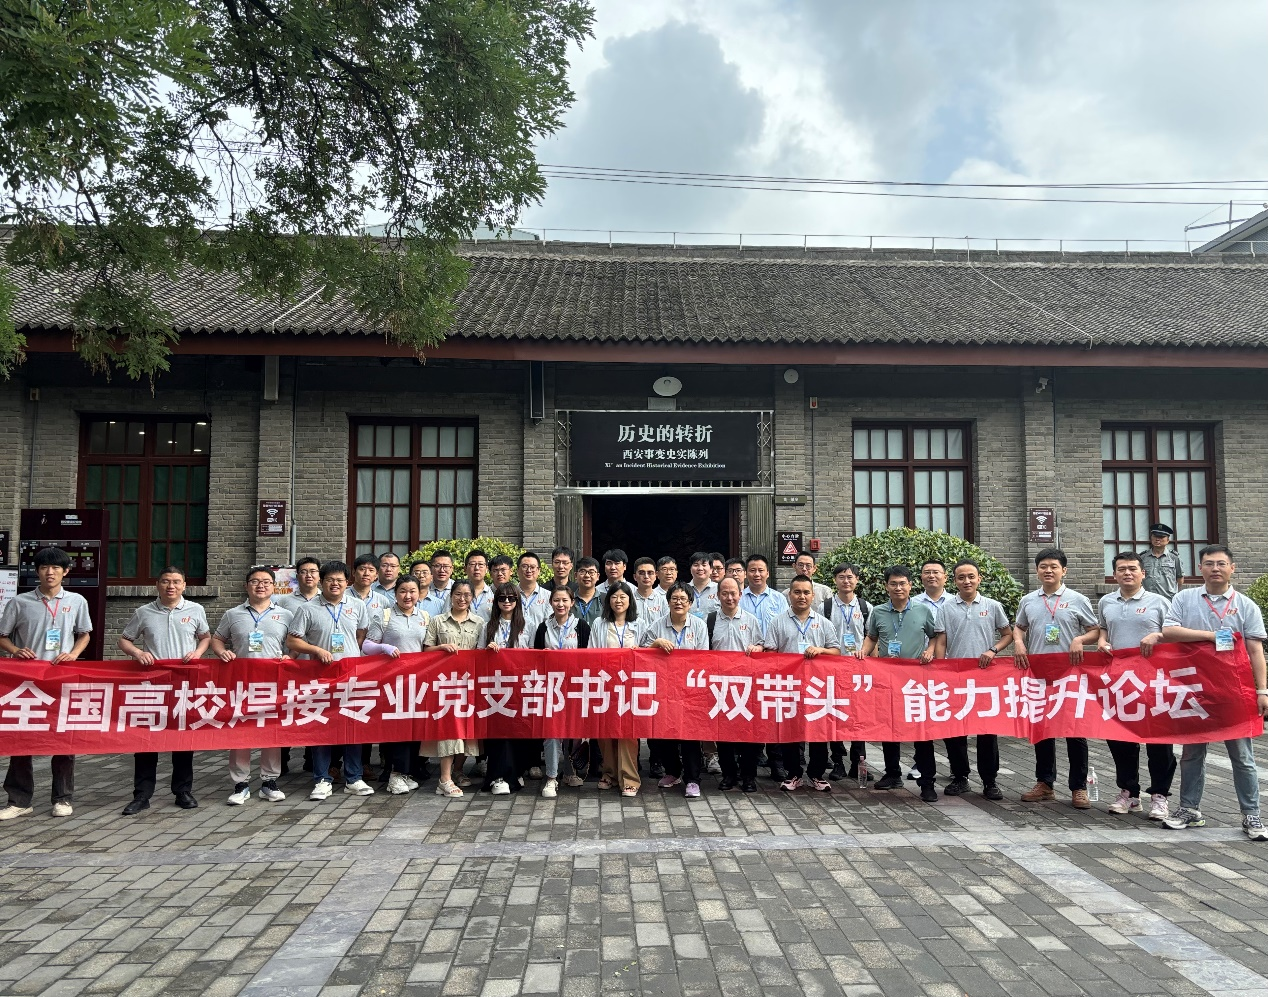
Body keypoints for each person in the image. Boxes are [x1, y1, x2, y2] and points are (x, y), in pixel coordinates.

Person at [1161, 544, 1268, 840]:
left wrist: (1263, 690)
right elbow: (1169, 630)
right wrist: (1210, 636)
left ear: (1232, 568)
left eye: (1221, 563)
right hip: (1194, 689)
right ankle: (1189, 809)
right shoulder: (1184, 599)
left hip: (1235, 692)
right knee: (1192, 754)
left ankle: (1251, 815)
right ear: (1200, 568)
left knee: (1242, 757)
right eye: (1209, 563)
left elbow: (1255, 651)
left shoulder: (1245, 605)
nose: (1215, 569)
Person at [0, 546, 92, 821]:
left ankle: (62, 798)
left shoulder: (77, 601)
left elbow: (84, 634)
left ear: (65, 571)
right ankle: (19, 800)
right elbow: (3, 636)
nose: (49, 572)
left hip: (62, 678)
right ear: (37, 571)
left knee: (63, 738)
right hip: (26, 681)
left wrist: (73, 654)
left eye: (55, 568)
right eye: (44, 567)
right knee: (21, 739)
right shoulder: (20, 602)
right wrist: (16, 650)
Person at [1084, 552, 1175, 821]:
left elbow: (1173, 634)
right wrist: (1102, 640)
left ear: (1143, 573)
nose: (1127, 573)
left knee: (1159, 741)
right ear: (1114, 574)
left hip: (1153, 682)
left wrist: (1157, 635)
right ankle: (1129, 793)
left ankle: (1160, 795)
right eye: (1121, 569)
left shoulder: (1159, 602)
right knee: (1120, 739)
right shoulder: (1106, 602)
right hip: (1120, 682)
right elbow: (1104, 628)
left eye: (1133, 569)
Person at [118, 567, 211, 815]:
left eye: (177, 582)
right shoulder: (144, 612)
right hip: (152, 685)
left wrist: (197, 653)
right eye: (166, 581)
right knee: (147, 740)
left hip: (184, 684)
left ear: (184, 585)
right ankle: (142, 794)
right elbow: (125, 639)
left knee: (183, 739)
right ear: (157, 584)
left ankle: (182, 791)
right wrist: (138, 653)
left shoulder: (196, 610)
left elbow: (205, 637)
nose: (171, 586)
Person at [1013, 547, 1097, 809]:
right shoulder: (1028, 600)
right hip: (1039, 674)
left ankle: (1079, 787)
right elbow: (1019, 627)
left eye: (1054, 566)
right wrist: (1018, 642)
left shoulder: (1077, 599)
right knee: (1042, 729)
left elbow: (1095, 630)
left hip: (1070, 674)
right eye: (1043, 567)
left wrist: (1079, 640)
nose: (1048, 571)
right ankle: (1045, 783)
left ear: (1064, 571)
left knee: (1075, 731)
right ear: (1037, 570)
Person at [286, 560, 373, 801]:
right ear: (322, 582)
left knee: (352, 726)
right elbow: (293, 641)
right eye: (330, 580)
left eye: (340, 580)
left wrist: (348, 654)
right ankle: (322, 779)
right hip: (320, 678)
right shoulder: (307, 609)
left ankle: (354, 778)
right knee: (321, 728)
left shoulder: (357, 605)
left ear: (348, 582)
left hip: (350, 677)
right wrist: (316, 650)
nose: (335, 584)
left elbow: (360, 634)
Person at [211, 566, 293, 805]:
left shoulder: (286, 615)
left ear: (274, 587)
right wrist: (222, 652)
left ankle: (269, 781)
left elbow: (295, 643)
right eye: (255, 581)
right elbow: (217, 639)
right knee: (241, 731)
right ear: (246, 586)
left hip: (273, 683)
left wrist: (290, 657)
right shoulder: (232, 614)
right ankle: (240, 784)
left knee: (271, 731)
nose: (261, 586)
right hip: (241, 682)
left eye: (266, 582)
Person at [861, 565, 943, 803]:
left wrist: (930, 651)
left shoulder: (923, 610)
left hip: (916, 680)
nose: (898, 588)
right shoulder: (878, 611)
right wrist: (863, 652)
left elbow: (934, 636)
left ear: (910, 585)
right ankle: (892, 774)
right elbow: (872, 637)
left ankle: (927, 782)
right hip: (887, 678)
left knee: (921, 731)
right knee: (889, 727)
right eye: (893, 584)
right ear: (886, 586)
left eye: (902, 583)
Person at [936, 560, 1013, 800]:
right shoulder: (946, 607)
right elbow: (941, 640)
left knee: (987, 731)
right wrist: (940, 668)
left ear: (979, 579)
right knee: (955, 729)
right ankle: (960, 777)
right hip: (955, 677)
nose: (966, 581)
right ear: (954, 581)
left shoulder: (992, 606)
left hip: (985, 678)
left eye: (971, 576)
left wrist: (993, 650)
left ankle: (990, 781)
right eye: (961, 577)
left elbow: (1007, 634)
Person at [764, 575, 841, 792]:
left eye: (806, 592)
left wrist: (821, 650)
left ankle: (816, 774)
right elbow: (770, 652)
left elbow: (836, 652)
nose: (801, 596)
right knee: (790, 732)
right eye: (797, 592)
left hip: (816, 688)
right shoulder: (778, 621)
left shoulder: (823, 623)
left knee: (818, 732)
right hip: (789, 686)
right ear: (789, 594)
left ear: (813, 596)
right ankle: (793, 774)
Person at [361, 573, 431, 795]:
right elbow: (367, 646)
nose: (407, 596)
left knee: (414, 729)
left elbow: (427, 647)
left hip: (418, 682)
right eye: (403, 591)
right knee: (397, 729)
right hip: (392, 683)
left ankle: (406, 772)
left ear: (419, 593)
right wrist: (384, 648)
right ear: (395, 593)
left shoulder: (425, 617)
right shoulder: (384, 615)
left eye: (412, 591)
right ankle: (395, 774)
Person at [641, 583, 710, 797]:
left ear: (690, 603)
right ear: (668, 601)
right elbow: (641, 654)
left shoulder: (699, 626)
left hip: (690, 689)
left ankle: (693, 779)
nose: (678, 602)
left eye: (683, 599)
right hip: (663, 689)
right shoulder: (657, 626)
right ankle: (673, 772)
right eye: (674, 598)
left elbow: (704, 657)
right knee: (663, 734)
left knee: (690, 735)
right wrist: (655, 644)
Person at [423, 579, 484, 797]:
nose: (462, 599)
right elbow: (425, 651)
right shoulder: (437, 621)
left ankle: (458, 770)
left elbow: (481, 653)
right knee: (449, 730)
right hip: (444, 684)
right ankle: (445, 778)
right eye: (458, 594)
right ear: (451, 596)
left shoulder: (479, 623)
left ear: (472, 598)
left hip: (469, 684)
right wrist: (440, 648)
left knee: (467, 731)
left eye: (467, 595)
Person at [530, 584, 591, 798]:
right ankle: (551, 777)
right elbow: (535, 659)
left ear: (572, 603)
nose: (560, 604)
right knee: (552, 732)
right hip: (550, 687)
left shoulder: (581, 626)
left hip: (575, 687)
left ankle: (570, 771)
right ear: (550, 602)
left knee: (573, 731)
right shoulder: (543, 628)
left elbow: (589, 657)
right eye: (556, 600)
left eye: (565, 600)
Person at [708, 576, 765, 792]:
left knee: (748, 734)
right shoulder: (711, 620)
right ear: (718, 596)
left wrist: (758, 648)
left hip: (746, 686)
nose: (729, 597)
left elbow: (761, 645)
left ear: (740, 595)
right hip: (720, 687)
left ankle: (748, 776)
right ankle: (728, 775)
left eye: (733, 593)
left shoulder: (751, 620)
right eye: (725, 593)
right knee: (723, 735)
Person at [590, 581, 642, 797]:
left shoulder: (639, 623)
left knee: (628, 733)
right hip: (606, 684)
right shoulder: (599, 623)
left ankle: (629, 778)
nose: (618, 601)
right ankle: (609, 774)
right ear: (608, 600)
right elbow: (592, 652)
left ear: (630, 600)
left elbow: (646, 653)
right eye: (614, 597)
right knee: (605, 731)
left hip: (631, 686)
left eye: (623, 597)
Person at [482, 583, 532, 795]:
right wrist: (488, 650)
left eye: (511, 598)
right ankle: (498, 776)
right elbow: (478, 655)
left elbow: (534, 653)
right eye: (502, 598)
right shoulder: (488, 626)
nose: (507, 602)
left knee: (518, 731)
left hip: (520, 687)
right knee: (498, 733)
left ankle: (516, 772)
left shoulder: (527, 624)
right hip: (496, 688)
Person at [824, 562, 872, 781]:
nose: (846, 581)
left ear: (857, 580)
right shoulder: (825, 607)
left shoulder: (865, 607)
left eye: (850, 577)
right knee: (834, 715)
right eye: (842, 577)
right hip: (832, 669)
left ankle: (858, 764)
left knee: (858, 717)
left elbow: (872, 637)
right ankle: (838, 763)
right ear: (835, 580)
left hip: (858, 671)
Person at [740, 554, 789, 640]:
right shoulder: (738, 598)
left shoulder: (779, 598)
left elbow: (785, 626)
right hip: (745, 646)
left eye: (761, 570)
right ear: (746, 574)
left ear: (767, 573)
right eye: (752, 570)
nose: (756, 574)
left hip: (771, 647)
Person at [1140, 523, 1183, 600]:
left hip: (1168, 599)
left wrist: (1175, 595)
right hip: (1146, 599)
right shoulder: (1142, 557)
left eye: (1161, 537)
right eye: (1155, 536)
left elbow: (1180, 579)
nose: (1157, 539)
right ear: (1151, 538)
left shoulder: (1174, 557)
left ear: (1168, 540)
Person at [350, 553, 393, 620]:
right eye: (362, 569)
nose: (366, 573)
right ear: (353, 572)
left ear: (376, 575)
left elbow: (387, 623)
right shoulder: (342, 596)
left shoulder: (382, 601)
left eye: (371, 570)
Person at [516, 551, 550, 628]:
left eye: (532, 567)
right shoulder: (509, 595)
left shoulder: (548, 596)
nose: (529, 570)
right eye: (524, 566)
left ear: (539, 571)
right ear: (517, 570)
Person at [687, 551, 720, 618]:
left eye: (704, 565)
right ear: (690, 569)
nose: (700, 568)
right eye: (696, 565)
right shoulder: (684, 590)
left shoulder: (719, 589)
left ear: (711, 569)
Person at [464, 549, 494, 620]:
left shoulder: (494, 594)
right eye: (472, 564)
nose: (477, 568)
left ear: (486, 569)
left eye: (480, 564)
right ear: (465, 569)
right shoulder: (455, 594)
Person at [572, 556, 603, 624]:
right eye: (582, 571)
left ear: (597, 576)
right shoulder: (569, 599)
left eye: (591, 572)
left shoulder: (605, 600)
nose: (587, 575)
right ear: (575, 575)